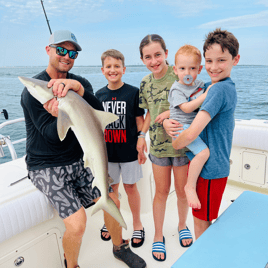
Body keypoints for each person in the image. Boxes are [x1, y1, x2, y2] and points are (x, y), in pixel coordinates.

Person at [20, 30, 146, 268]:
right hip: (46, 166)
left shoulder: (81, 83)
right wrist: (60, 114)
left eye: (72, 52)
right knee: (78, 225)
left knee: (113, 202)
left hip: (79, 160)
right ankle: (72, 265)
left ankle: (120, 248)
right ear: (49, 50)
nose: (67, 56)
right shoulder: (31, 93)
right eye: (61, 50)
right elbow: (51, 136)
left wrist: (78, 88)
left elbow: (98, 111)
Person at [164, 28, 240, 240]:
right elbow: (181, 107)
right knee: (203, 218)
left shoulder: (217, 89)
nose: (213, 67)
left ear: (236, 59)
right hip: (209, 165)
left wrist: (176, 143)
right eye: (209, 61)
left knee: (201, 223)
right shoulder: (212, 86)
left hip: (210, 168)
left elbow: (190, 135)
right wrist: (166, 123)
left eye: (221, 60)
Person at [137, 34, 193, 262]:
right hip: (158, 149)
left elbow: (193, 105)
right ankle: (158, 235)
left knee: (181, 192)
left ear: (166, 53)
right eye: (148, 57)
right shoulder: (145, 83)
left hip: (182, 146)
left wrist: (172, 113)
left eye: (158, 55)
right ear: (142, 59)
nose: (154, 61)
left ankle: (182, 225)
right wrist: (141, 135)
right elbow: (149, 111)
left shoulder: (180, 74)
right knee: (160, 192)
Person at [95, 49, 146, 247]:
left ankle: (137, 224)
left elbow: (139, 121)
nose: (113, 70)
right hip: (107, 155)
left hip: (129, 153)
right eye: (109, 66)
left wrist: (142, 143)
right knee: (112, 189)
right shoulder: (98, 95)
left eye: (117, 66)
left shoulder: (133, 93)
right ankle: (111, 222)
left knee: (131, 188)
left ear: (124, 69)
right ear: (102, 70)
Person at [168, 44, 210, 210]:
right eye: (183, 68)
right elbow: (186, 108)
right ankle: (189, 186)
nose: (187, 73)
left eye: (192, 68)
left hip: (191, 127)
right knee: (203, 152)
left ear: (199, 69)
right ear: (175, 70)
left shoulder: (199, 84)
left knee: (200, 155)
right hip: (180, 128)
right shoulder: (176, 88)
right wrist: (207, 95)